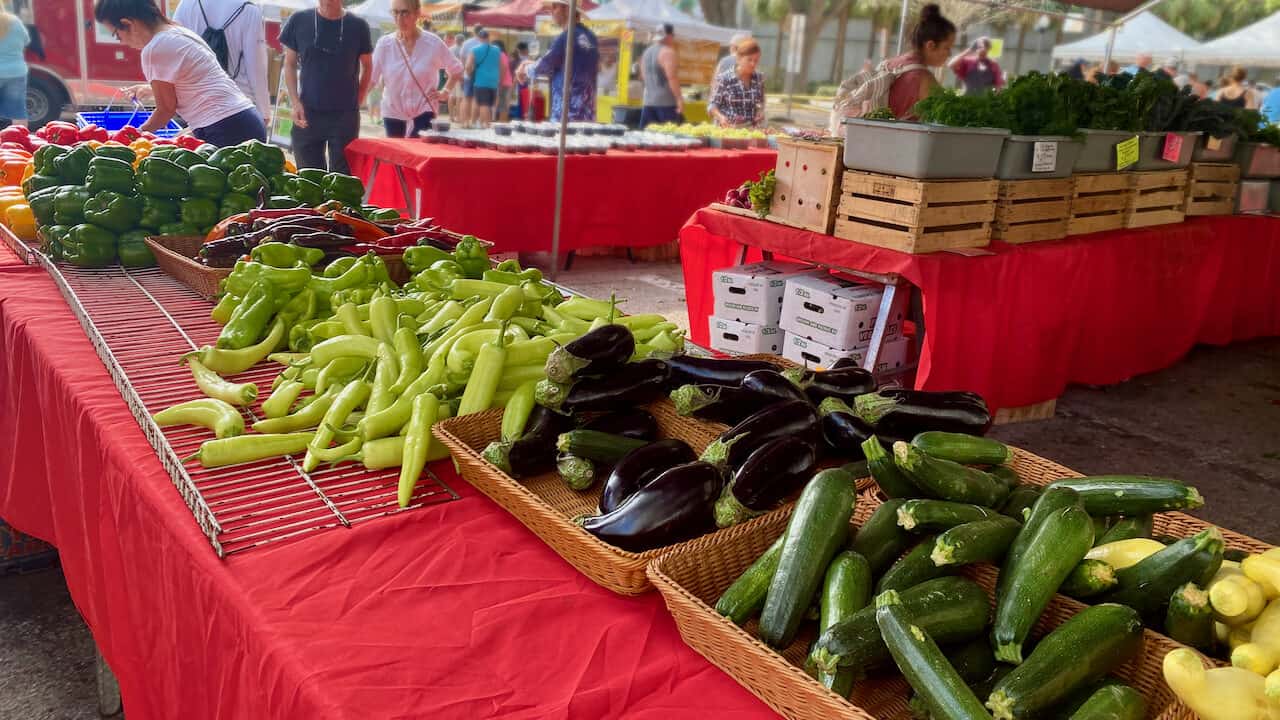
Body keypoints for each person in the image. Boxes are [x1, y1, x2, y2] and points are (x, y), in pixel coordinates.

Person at [93, 0, 265, 146]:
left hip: (227, 127)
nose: (122, 42)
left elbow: (166, 110)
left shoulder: (155, 48)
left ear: (128, 23)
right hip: (242, 120)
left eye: (117, 35)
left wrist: (132, 138)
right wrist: (149, 89)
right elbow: (191, 81)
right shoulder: (177, 32)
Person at [280, 0, 372, 173]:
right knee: (308, 178)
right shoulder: (299, 20)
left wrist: (359, 98)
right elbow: (290, 64)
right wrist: (295, 102)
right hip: (307, 113)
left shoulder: (358, 26)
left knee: (342, 179)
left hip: (345, 116)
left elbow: (367, 66)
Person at [369, 0, 460, 138]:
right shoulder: (384, 44)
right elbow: (371, 79)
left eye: (405, 12)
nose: (399, 18)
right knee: (396, 156)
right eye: (395, 12)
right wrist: (352, 101)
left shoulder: (433, 43)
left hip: (424, 109)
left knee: (417, 154)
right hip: (393, 110)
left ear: (417, 13)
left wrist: (445, 92)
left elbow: (456, 69)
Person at [173, 0, 270, 121]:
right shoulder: (249, 10)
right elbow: (256, 68)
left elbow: (174, 53)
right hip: (236, 106)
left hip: (193, 105)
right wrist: (264, 111)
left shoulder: (186, 5)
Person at [518, 0, 599, 122]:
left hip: (566, 114)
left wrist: (525, 68)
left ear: (567, 9)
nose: (551, 11)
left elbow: (543, 66)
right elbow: (559, 66)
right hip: (587, 113)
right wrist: (528, 65)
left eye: (555, 7)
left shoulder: (565, 37)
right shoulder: (591, 37)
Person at [884, 3, 955, 119]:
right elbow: (947, 118)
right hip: (903, 137)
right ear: (930, 45)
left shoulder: (890, 64)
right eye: (947, 48)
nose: (949, 54)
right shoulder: (925, 79)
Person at [708, 39, 764, 128]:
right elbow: (712, 106)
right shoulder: (725, 78)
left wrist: (760, 111)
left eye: (756, 60)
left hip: (750, 130)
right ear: (739, 59)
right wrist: (721, 117)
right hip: (728, 130)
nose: (753, 64)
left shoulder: (758, 78)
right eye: (749, 60)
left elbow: (759, 102)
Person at [639, 24, 682, 127]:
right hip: (666, 103)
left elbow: (643, 76)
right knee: (669, 138)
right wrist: (679, 98)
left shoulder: (646, 53)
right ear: (669, 36)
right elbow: (672, 77)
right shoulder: (668, 52)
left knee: (648, 137)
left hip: (648, 101)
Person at [0, 6, 29, 128]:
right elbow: (26, 40)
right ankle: (21, 142)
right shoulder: (15, 22)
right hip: (16, 72)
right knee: (18, 110)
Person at [466, 29, 500, 127]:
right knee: (486, 103)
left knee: (483, 104)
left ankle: (486, 125)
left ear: (479, 38)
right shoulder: (497, 49)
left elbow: (468, 66)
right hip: (493, 80)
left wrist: (468, 74)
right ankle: (477, 123)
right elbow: (499, 64)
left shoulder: (475, 50)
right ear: (488, 37)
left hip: (481, 80)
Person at [456, 26, 484, 126]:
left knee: (466, 98)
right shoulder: (484, 43)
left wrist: (464, 71)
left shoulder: (467, 43)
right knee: (477, 99)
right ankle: (473, 121)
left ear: (473, 32)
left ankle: (464, 121)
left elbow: (462, 58)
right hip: (480, 74)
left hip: (468, 73)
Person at [712, 31, 750, 96]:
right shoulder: (750, 62)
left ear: (733, 47)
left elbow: (716, 82)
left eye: (730, 46)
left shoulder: (724, 61)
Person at [494, 40, 513, 121]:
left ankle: (502, 121)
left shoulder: (501, 55)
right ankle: (501, 120)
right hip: (505, 82)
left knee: (503, 103)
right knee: (502, 103)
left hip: (504, 82)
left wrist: (500, 81)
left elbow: (504, 68)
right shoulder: (503, 55)